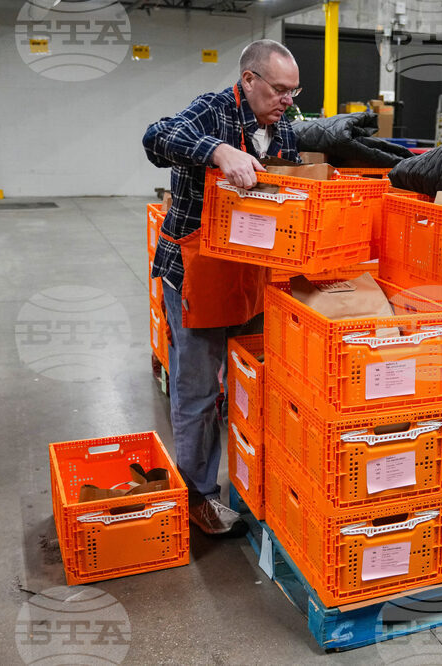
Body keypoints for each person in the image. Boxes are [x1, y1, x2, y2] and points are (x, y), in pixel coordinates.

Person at [142, 40, 302, 536]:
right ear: (249, 80)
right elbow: (155, 138)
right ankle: (200, 497)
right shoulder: (211, 110)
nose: (287, 101)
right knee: (196, 393)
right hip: (197, 273)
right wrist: (217, 150)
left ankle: (253, 485)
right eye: (279, 90)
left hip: (250, 277)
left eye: (294, 92)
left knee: (250, 385)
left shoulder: (284, 127)